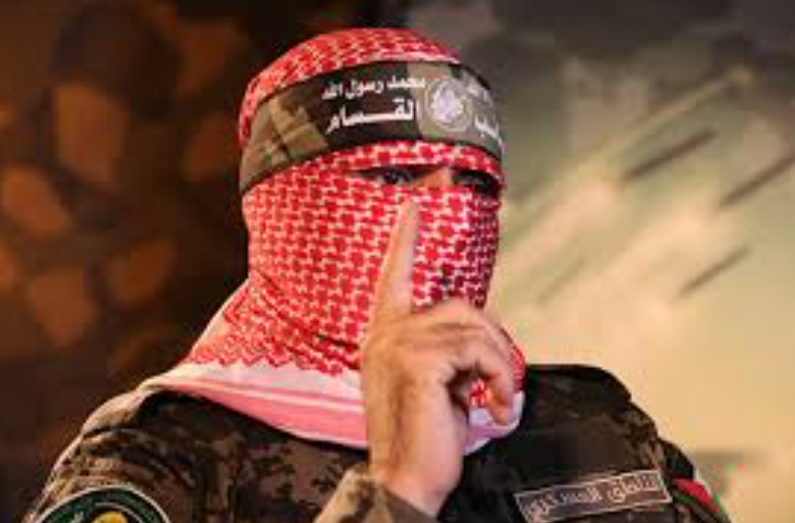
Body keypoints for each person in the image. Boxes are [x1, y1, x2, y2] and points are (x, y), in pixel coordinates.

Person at [24, 28, 730, 523]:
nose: (450, 212)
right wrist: (395, 492)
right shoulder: (163, 459)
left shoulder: (600, 425)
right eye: (394, 177)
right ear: (285, 207)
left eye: (475, 185)